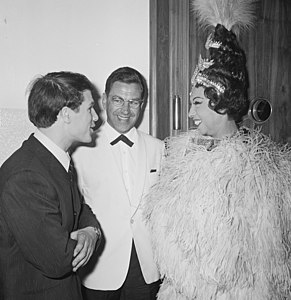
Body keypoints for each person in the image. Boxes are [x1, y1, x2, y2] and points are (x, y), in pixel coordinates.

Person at [144, 0, 291, 299]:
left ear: (221, 101)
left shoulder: (260, 170)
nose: (189, 115)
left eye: (196, 103)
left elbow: (259, 264)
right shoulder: (183, 156)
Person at [0, 71, 102, 300]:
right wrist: (87, 235)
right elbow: (59, 259)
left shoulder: (52, 161)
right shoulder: (25, 176)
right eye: (89, 109)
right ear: (66, 114)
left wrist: (89, 231)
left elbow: (81, 211)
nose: (96, 118)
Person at [72, 66, 164, 300]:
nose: (125, 110)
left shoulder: (158, 148)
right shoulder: (79, 148)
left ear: (142, 105)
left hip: (146, 268)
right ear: (104, 100)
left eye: (134, 102)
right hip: (99, 267)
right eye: (118, 100)